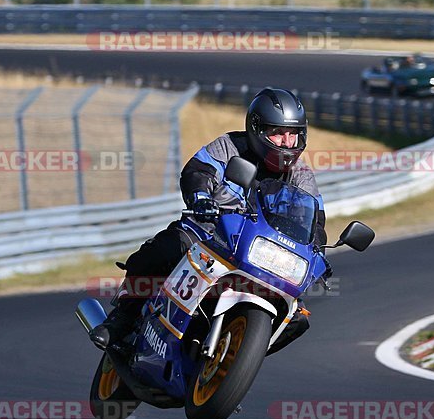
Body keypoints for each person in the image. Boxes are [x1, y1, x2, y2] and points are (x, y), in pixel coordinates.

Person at [90, 87, 329, 354]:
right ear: (257, 129)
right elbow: (197, 171)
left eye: (293, 134)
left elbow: (314, 221)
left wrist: (317, 249)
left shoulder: (302, 175)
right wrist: (201, 197)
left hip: (262, 255)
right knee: (167, 248)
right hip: (211, 234)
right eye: (278, 133)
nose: (287, 142)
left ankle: (236, 359)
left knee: (298, 319)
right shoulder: (229, 146)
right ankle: (122, 317)